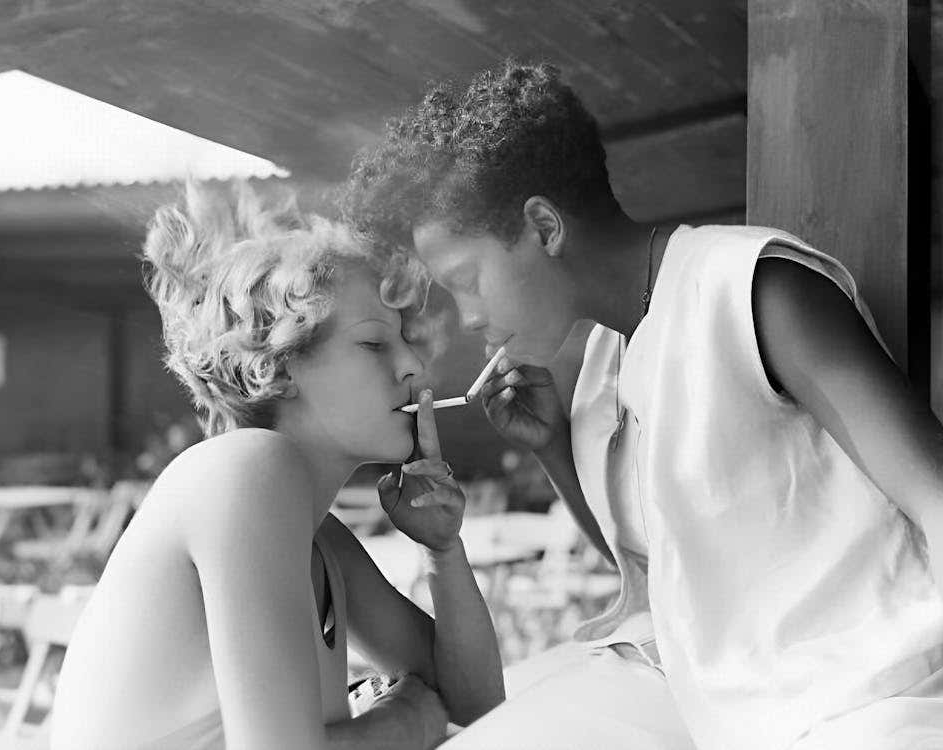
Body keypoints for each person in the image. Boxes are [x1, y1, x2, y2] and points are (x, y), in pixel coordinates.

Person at [341, 60, 943, 749]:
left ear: (542, 225)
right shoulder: (607, 354)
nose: (469, 317)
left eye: (466, 280)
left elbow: (936, 497)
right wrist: (555, 449)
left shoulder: (751, 289)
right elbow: (662, 574)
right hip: (724, 706)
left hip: (870, 700)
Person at [50, 183, 504, 750]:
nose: (413, 366)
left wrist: (442, 549)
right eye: (373, 344)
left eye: (406, 342)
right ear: (281, 367)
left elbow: (478, 705)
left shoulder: (319, 538)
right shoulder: (246, 470)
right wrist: (406, 721)